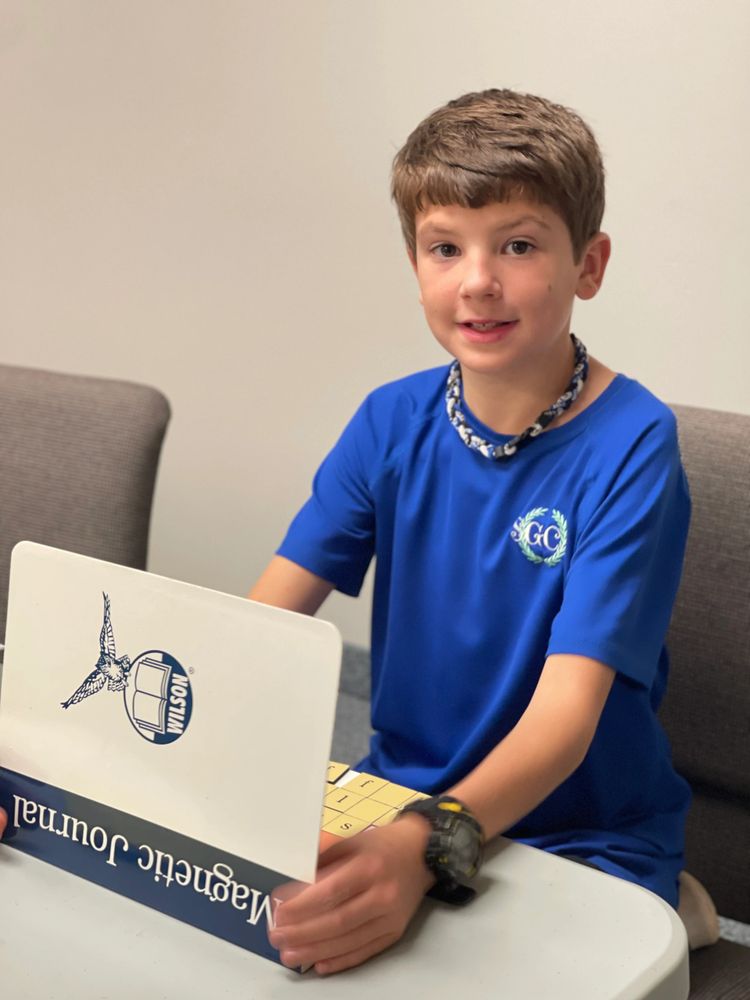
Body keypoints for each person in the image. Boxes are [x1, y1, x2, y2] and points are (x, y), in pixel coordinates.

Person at [251, 87, 693, 974]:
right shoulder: (389, 420)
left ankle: (675, 904)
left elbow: (566, 720)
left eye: (519, 245)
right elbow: (259, 629)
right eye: (444, 247)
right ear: (415, 262)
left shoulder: (634, 443)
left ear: (589, 264)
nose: (478, 281)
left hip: (575, 832)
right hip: (395, 802)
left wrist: (423, 846)